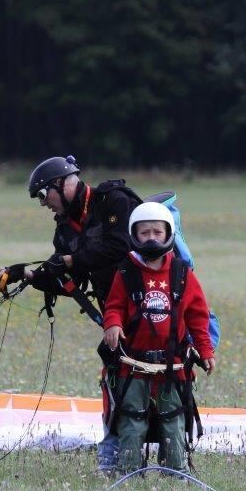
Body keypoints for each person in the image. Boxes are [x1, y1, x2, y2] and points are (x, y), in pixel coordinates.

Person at [0, 155, 141, 472]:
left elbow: (120, 247)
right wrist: (29, 275)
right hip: (113, 312)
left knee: (146, 376)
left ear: (62, 184)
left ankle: (157, 443)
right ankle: (116, 448)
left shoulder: (113, 202)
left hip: (145, 305)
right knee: (114, 373)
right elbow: (66, 279)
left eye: (42, 195)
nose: (43, 204)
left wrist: (69, 262)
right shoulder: (64, 231)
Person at [101, 202, 216, 475]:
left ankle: (176, 471)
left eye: (157, 232)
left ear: (168, 235)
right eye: (144, 233)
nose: (151, 237)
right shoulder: (126, 272)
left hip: (172, 368)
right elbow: (114, 306)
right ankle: (127, 471)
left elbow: (199, 316)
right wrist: (113, 325)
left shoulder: (182, 274)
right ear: (134, 235)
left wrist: (206, 350)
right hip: (133, 367)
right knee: (131, 418)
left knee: (173, 419)